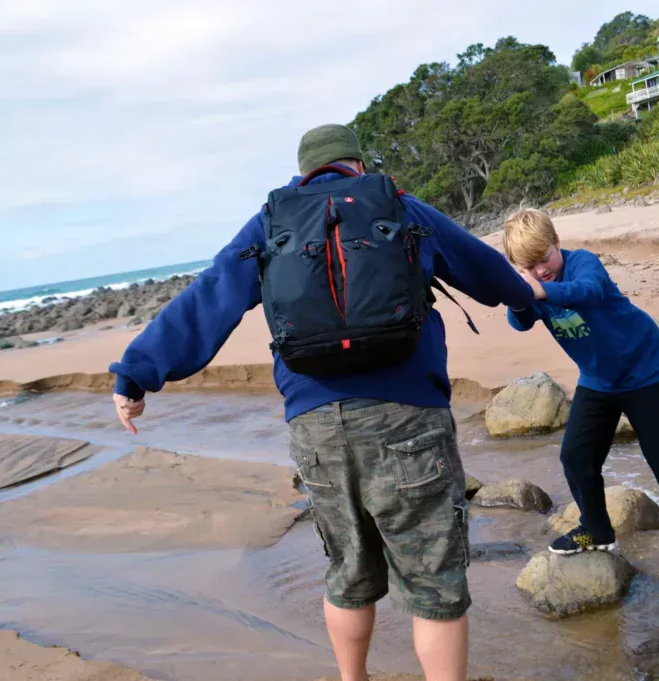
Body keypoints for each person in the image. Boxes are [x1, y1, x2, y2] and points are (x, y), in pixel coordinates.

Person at [109, 124, 535, 681]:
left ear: (304, 170)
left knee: (349, 573)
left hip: (316, 425)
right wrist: (524, 302)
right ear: (357, 164)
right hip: (407, 417)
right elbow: (486, 269)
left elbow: (209, 298)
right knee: (434, 584)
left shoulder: (269, 223)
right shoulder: (401, 208)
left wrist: (136, 372)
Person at [501, 208, 659, 599]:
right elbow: (520, 321)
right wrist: (517, 296)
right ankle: (597, 528)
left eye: (544, 259)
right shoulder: (531, 283)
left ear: (557, 243)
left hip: (645, 370)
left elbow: (590, 292)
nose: (540, 271)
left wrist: (537, 289)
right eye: (527, 267)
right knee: (576, 458)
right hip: (599, 380)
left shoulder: (583, 264)